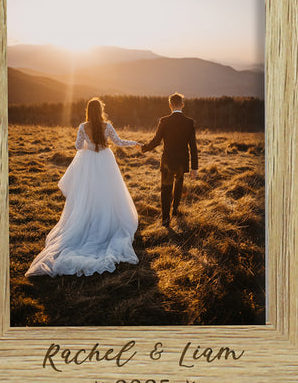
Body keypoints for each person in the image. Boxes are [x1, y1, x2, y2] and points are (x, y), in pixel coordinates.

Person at [26, 98, 140, 277]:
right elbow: (118, 142)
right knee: (107, 193)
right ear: (100, 110)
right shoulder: (107, 126)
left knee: (88, 195)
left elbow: (78, 146)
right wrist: (134, 143)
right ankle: (106, 219)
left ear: (87, 110)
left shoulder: (82, 126)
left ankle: (91, 218)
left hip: (88, 163)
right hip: (105, 161)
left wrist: (88, 143)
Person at [141, 92, 198, 229]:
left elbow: (156, 141)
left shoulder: (164, 121)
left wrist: (144, 148)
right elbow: (193, 147)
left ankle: (166, 220)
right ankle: (176, 210)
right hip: (182, 162)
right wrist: (194, 168)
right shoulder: (189, 123)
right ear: (182, 105)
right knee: (178, 187)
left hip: (167, 162)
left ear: (170, 105)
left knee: (165, 190)